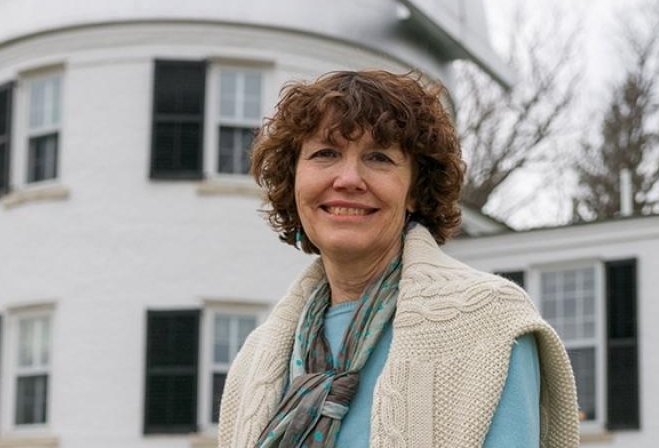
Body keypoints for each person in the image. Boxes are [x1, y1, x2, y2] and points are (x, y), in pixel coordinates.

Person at [217, 70, 580, 447]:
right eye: (325, 153)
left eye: (379, 157)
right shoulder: (257, 358)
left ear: (414, 191)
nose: (348, 179)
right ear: (293, 182)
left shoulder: (489, 326)